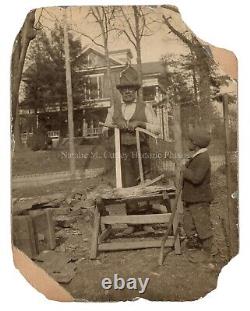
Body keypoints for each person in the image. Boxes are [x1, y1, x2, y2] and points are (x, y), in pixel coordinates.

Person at [103, 65, 160, 235]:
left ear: (136, 91)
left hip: (141, 150)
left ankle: (147, 221)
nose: (128, 92)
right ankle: (132, 223)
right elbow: (104, 131)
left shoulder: (145, 107)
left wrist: (141, 124)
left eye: (131, 89)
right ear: (121, 92)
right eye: (124, 90)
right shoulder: (114, 109)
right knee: (127, 185)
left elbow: (157, 129)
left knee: (144, 182)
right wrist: (114, 125)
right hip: (123, 152)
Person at [181, 126, 216, 262]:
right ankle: (196, 244)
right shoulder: (196, 156)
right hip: (191, 198)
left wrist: (184, 170)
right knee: (189, 223)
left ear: (195, 144)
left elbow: (196, 178)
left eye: (189, 141)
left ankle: (208, 251)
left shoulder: (203, 158)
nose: (187, 143)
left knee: (202, 224)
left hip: (200, 199)